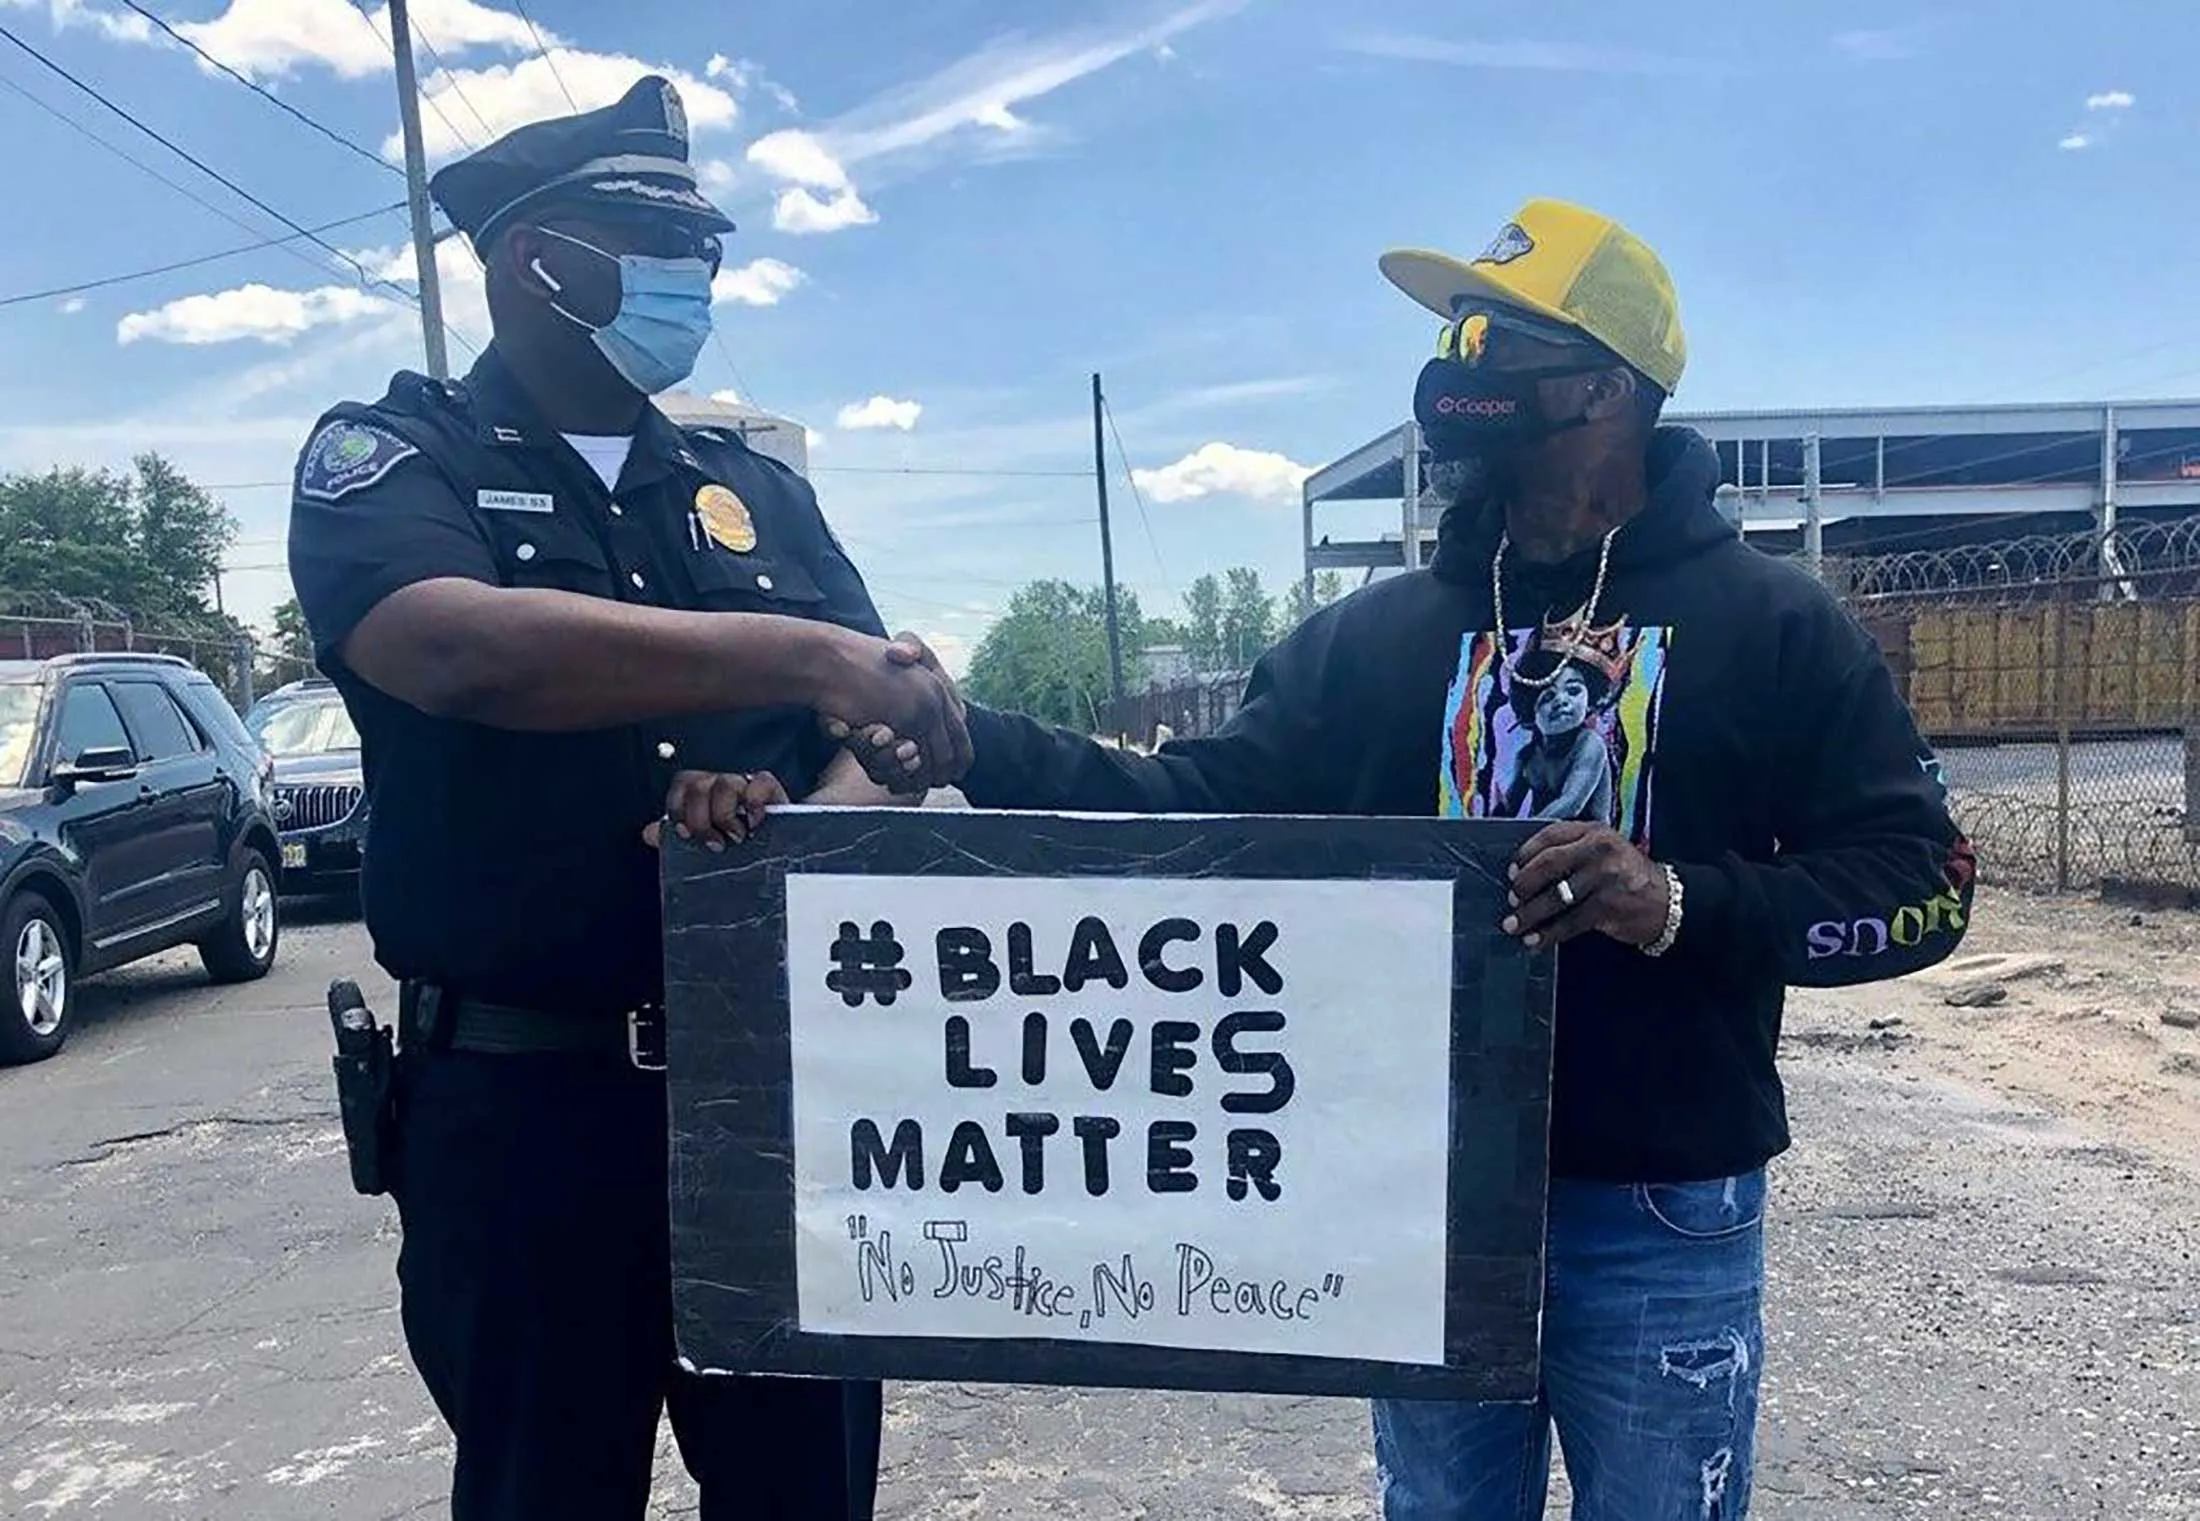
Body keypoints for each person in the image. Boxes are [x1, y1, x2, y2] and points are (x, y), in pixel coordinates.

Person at [845, 199, 1976, 1519]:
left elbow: (1922, 887)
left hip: (1661, 1210)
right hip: (1421, 1200)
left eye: (1494, 340)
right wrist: (976, 742)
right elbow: (1194, 810)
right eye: (1452, 336)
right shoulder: (1371, 642)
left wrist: (1672, 902)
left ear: (1608, 388)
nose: (1457, 374)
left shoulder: (1774, 625)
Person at [287, 78, 965, 1521]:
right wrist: (811, 653)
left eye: (706, 251)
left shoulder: (751, 490)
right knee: (543, 1491)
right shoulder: (396, 461)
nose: (695, 279)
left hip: (771, 1095)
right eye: (658, 243)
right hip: (522, 1108)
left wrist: (804, 819)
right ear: (539, 258)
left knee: (806, 1497)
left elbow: (882, 741)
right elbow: (454, 647)